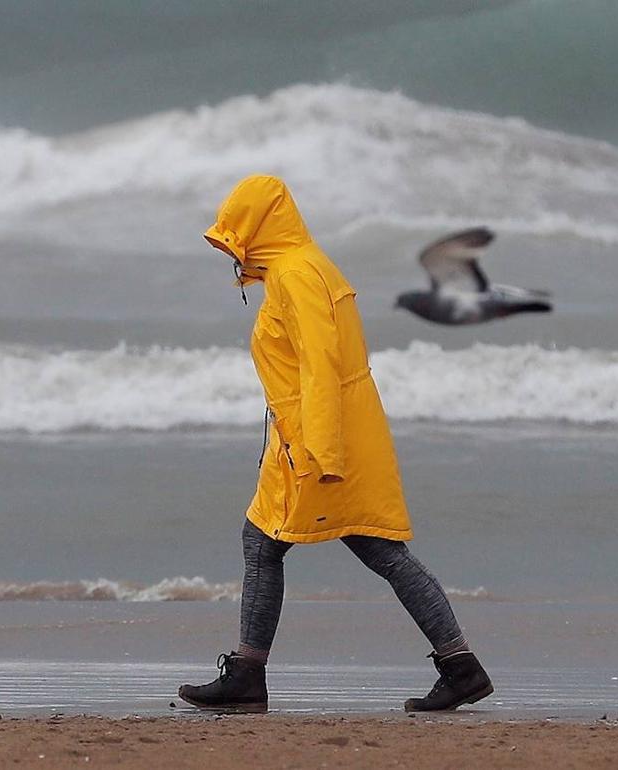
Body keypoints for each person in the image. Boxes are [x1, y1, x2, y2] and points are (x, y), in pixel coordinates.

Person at [177, 175, 494, 713]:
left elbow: (322, 366)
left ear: (259, 226)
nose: (233, 250)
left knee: (295, 545)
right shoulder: (300, 268)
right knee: (354, 548)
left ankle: (250, 674)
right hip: (319, 433)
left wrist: (321, 450)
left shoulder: (298, 274)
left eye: (237, 234)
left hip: (319, 439)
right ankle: (459, 667)